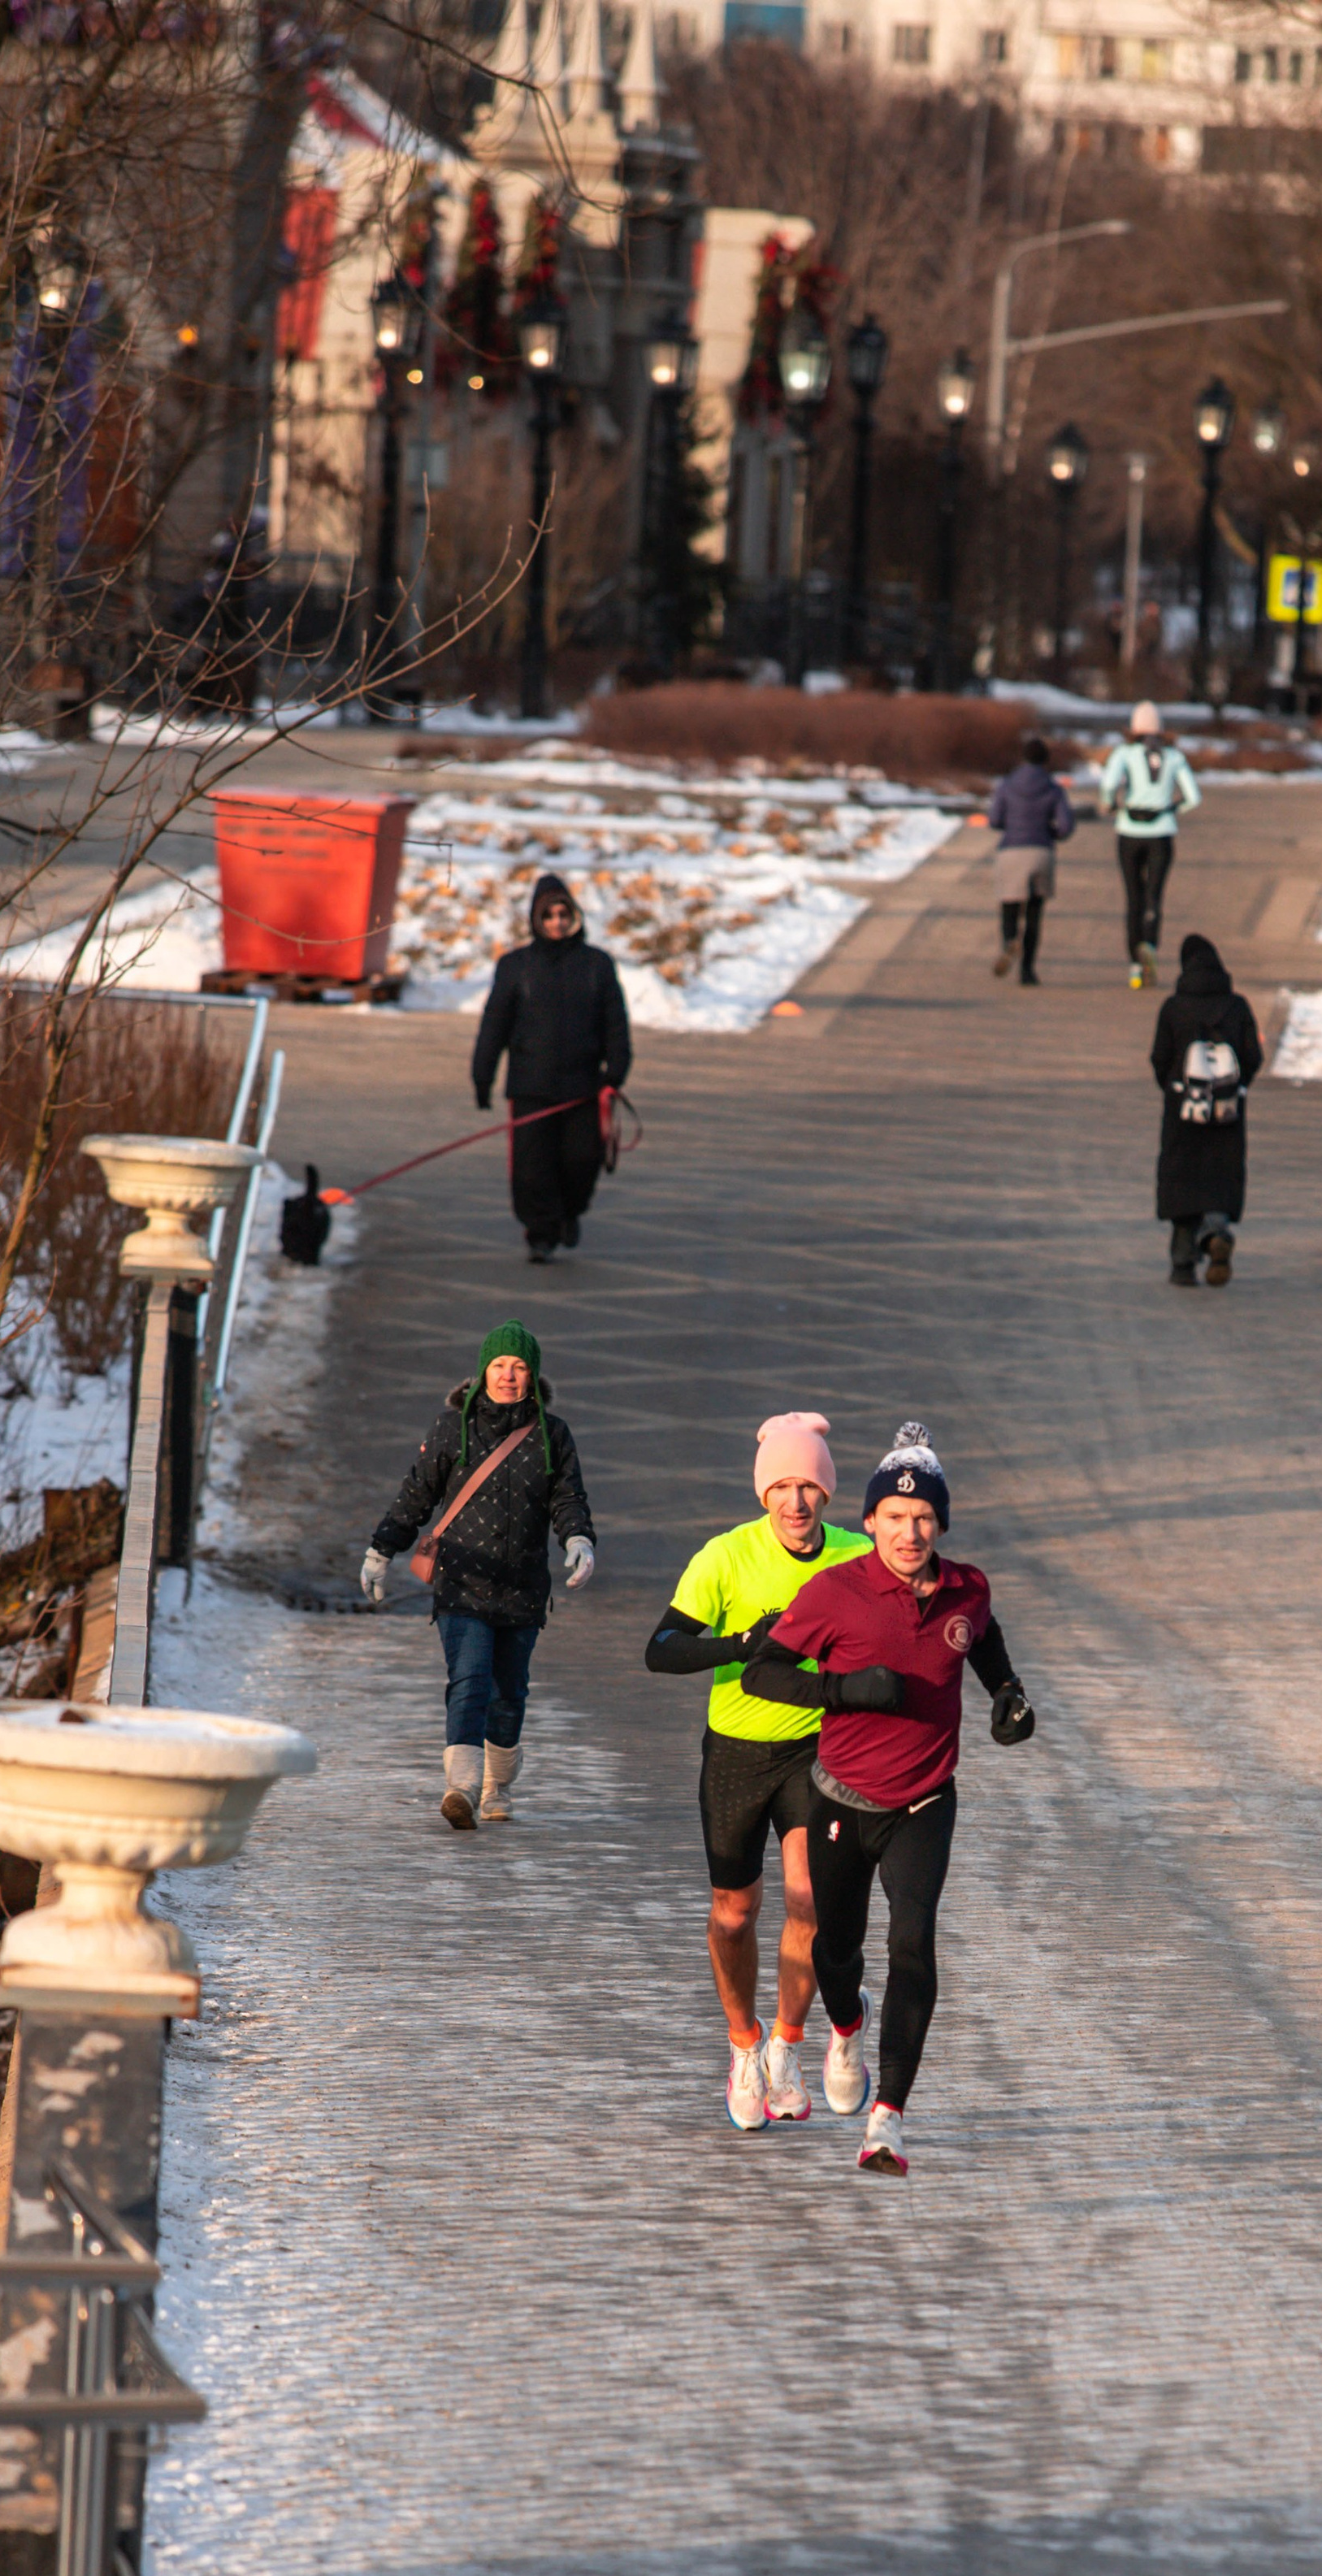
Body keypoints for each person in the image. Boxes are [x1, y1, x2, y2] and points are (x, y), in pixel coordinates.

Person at [742, 1425, 1035, 2176]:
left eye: (924, 1519)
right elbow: (763, 1675)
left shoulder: (967, 1587)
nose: (910, 1533)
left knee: (913, 1941)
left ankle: (888, 2120)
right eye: (895, 1519)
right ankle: (847, 2025)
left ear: (941, 1524)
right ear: (870, 1522)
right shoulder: (835, 1592)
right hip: (840, 1798)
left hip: (924, 1801)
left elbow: (985, 1636)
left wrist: (1006, 1693)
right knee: (836, 1951)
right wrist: (843, 1690)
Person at [644, 1414, 870, 2133]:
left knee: (809, 1901)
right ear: (763, 1493)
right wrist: (739, 1643)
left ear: (828, 1496)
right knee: (734, 1913)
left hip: (819, 1748)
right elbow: (662, 1648)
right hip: (738, 1753)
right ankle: (743, 2046)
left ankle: (787, 2047)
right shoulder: (726, 1557)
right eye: (781, 1486)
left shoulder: (856, 1557)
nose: (796, 1502)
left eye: (809, 1486)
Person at [359, 1317, 596, 1827]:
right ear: (482, 1371)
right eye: (499, 1365)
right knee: (469, 1679)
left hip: (523, 1588)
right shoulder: (452, 1428)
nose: (508, 1376)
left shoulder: (553, 1435)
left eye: (518, 1367)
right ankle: (462, 1789)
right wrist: (381, 1550)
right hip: (462, 1580)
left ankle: (496, 1786)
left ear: (532, 1376)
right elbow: (416, 1495)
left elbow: (567, 1498)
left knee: (508, 1694)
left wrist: (577, 1539)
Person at [470, 873, 632, 1266]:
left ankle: (569, 1213)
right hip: (531, 1087)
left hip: (583, 1088)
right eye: (549, 916)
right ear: (535, 920)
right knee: (531, 1171)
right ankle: (541, 1232)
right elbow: (495, 1025)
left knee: (580, 1163)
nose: (557, 922)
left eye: (564, 914)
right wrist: (482, 1075)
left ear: (575, 916)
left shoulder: (597, 965)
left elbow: (615, 1022)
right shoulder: (515, 967)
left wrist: (617, 1068)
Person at [1150, 934, 1263, 1287]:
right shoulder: (1238, 1007)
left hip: (1183, 1112)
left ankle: (1183, 1264)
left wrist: (1174, 1092)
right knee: (1219, 1176)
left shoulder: (1173, 1008)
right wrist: (1234, 1090)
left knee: (1182, 1180)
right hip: (1227, 1113)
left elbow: (1159, 1059)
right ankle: (1216, 1231)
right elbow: (1252, 1057)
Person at [1097, 700, 1202, 989]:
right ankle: (1151, 947)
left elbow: (1108, 784)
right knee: (1154, 897)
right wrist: (1171, 810)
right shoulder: (1174, 757)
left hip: (1129, 831)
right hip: (1162, 832)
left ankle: (1134, 966)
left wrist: (1110, 804)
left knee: (1134, 897)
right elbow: (1194, 797)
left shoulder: (1125, 753)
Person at [986, 732, 1076, 987]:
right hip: (1041, 852)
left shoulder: (1006, 785)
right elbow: (1066, 826)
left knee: (1009, 905)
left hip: (1011, 851)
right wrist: (1051, 833)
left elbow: (994, 820)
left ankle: (1010, 940)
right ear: (1045, 760)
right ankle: (1027, 971)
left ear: (1023, 758)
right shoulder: (1053, 788)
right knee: (1035, 913)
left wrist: (1011, 825)